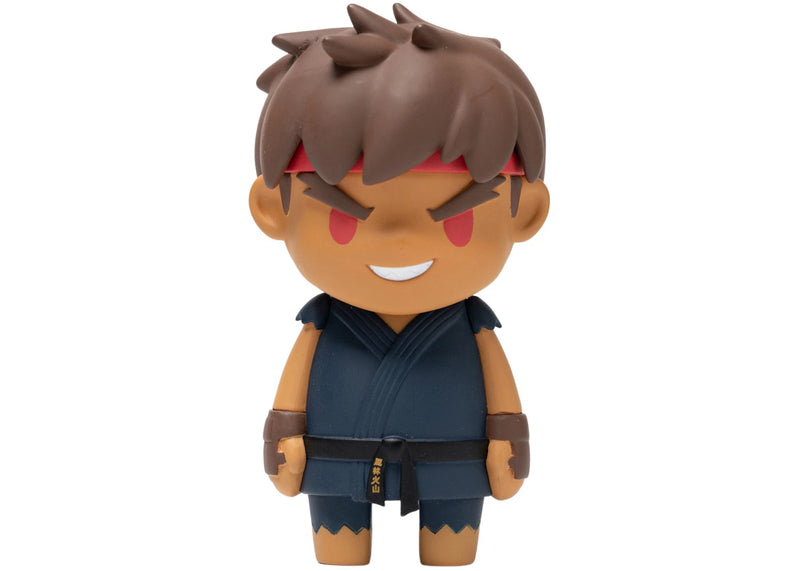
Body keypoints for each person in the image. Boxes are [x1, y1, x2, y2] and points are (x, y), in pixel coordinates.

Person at [250, 4, 549, 565]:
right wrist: (284, 435)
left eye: (455, 221)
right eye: (345, 219)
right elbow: (292, 392)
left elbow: (500, 393)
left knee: (451, 545)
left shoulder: (471, 327)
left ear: (525, 212)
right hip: (339, 459)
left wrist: (509, 441)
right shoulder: (322, 325)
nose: (399, 240)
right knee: (339, 546)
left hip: (452, 460)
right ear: (273, 209)